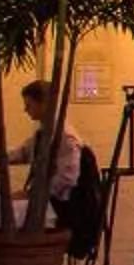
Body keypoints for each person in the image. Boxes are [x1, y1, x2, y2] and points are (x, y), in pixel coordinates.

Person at [8, 78, 84, 221]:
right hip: (50, 200)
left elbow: (67, 178)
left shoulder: (64, 136)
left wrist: (32, 194)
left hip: (63, 207)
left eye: (29, 105)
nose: (25, 110)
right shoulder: (44, 133)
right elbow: (23, 153)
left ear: (44, 104)